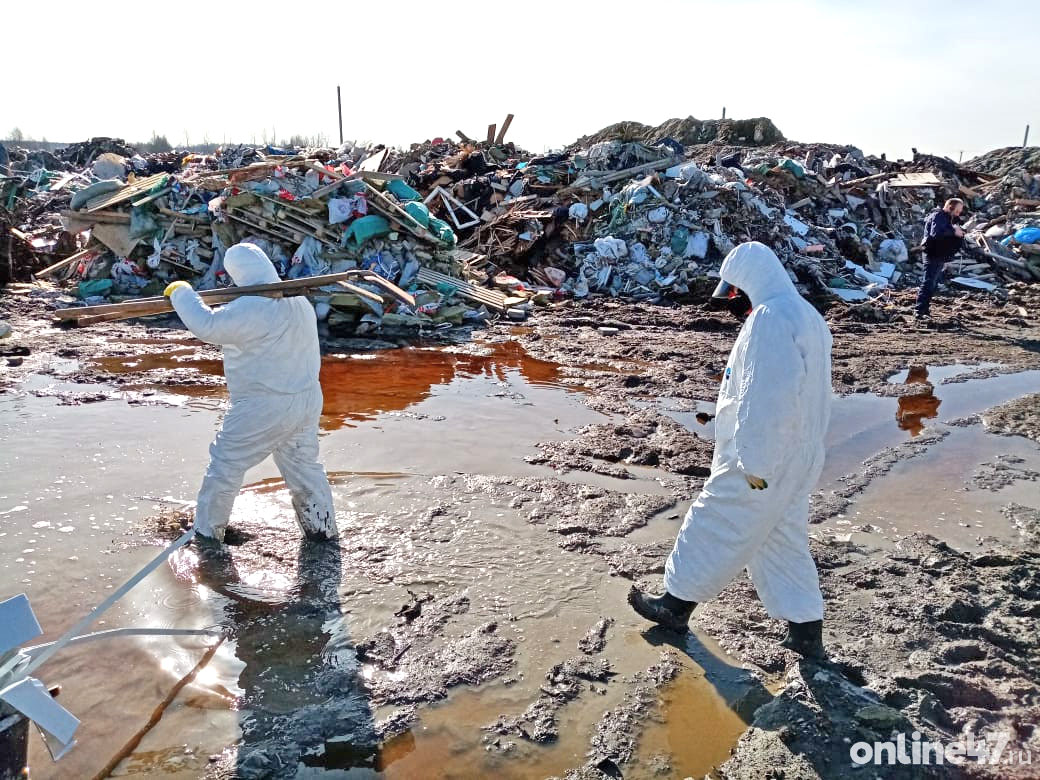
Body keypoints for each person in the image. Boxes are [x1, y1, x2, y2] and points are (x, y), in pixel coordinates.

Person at [628, 242, 832, 658]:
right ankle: (806, 635)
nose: (733, 304)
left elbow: (768, 396)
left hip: (763, 457)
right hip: (799, 454)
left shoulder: (771, 319)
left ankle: (674, 605)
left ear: (746, 285)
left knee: (713, 520)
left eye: (734, 294)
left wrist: (754, 462)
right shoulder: (806, 315)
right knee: (781, 539)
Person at [164, 242, 336, 544]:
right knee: (305, 469)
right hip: (307, 397)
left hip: (265, 404)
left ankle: (206, 536)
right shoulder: (298, 301)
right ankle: (323, 532)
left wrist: (181, 292)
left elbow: (207, 325)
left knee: (225, 465)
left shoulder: (252, 307)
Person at [915, 198, 965, 319]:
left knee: (933, 282)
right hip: (932, 253)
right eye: (957, 211)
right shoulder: (938, 216)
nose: (958, 214)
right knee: (928, 281)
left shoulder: (948, 218)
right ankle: (919, 311)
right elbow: (936, 233)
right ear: (949, 207)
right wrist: (954, 232)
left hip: (939, 254)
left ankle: (924, 310)